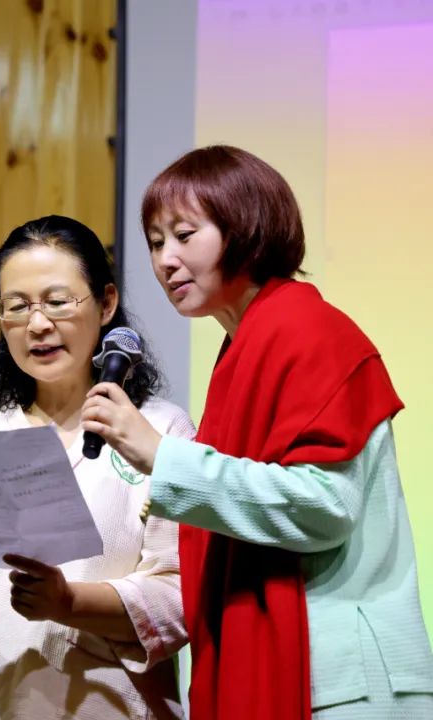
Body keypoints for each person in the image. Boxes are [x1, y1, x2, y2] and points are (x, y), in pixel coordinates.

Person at [82, 145, 433, 719]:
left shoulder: (308, 330)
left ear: (245, 227)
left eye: (184, 235)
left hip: (341, 684)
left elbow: (325, 507)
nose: (166, 259)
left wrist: (162, 457)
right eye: (155, 242)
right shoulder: (245, 345)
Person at [0, 215, 193, 719]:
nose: (37, 324)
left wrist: (68, 602)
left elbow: (179, 594)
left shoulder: (160, 429)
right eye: (16, 306)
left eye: (57, 302)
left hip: (106, 706)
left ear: (106, 303)